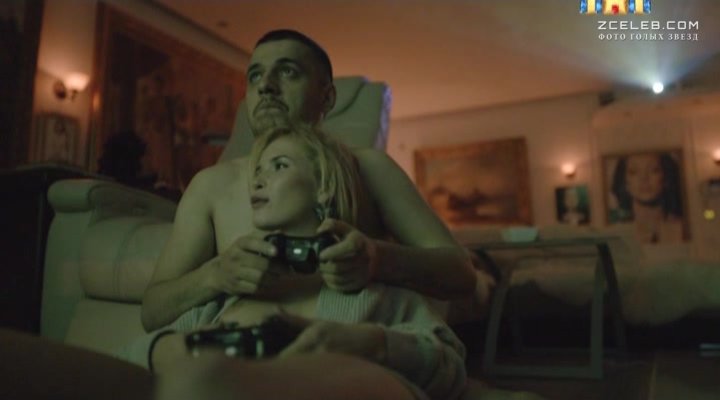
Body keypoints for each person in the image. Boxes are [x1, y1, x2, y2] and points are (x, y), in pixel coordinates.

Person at [140, 29, 477, 332]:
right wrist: (214, 275)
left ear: (327, 98)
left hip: (346, 353)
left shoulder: (368, 168)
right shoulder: (210, 185)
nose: (265, 85)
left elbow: (462, 274)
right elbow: (152, 311)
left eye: (288, 72)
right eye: (255, 75)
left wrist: (378, 259)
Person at [121, 124, 467, 400]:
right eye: (257, 171)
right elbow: (130, 356)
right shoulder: (222, 301)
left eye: (279, 166)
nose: (257, 180)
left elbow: (448, 365)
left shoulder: (373, 293)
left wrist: (367, 344)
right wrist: (171, 349)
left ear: (323, 187)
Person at [610, 152, 685, 244]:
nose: (644, 178)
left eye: (654, 170)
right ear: (625, 182)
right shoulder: (616, 231)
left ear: (666, 178)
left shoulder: (683, 227)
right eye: (634, 172)